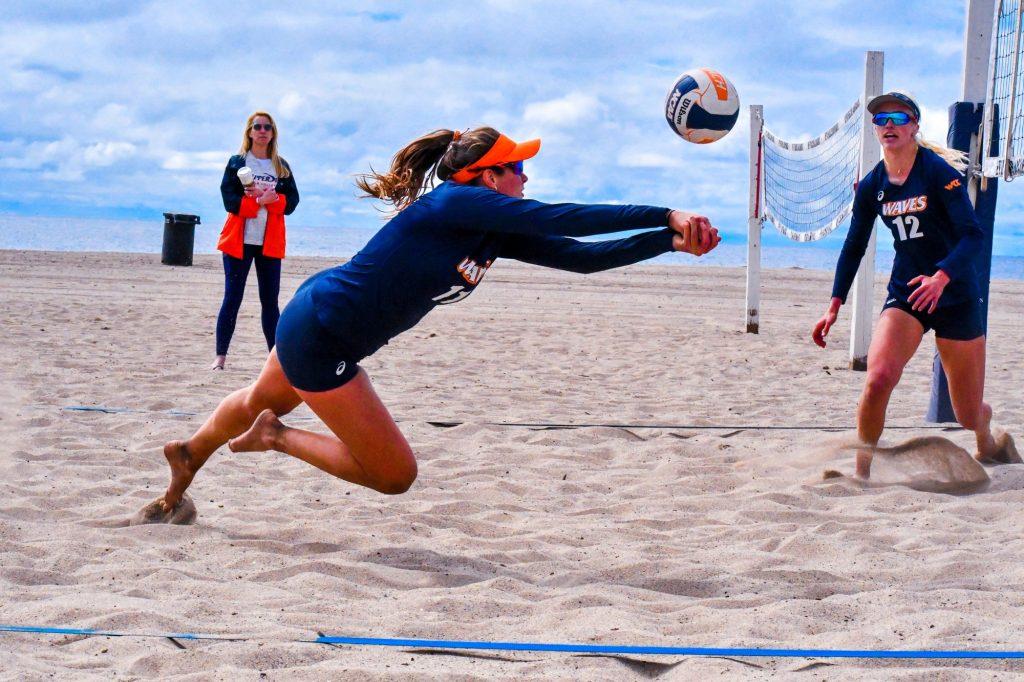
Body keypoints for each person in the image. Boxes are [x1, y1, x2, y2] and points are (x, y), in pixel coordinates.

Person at [159, 126, 720, 511]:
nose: (525, 179)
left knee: (262, 395)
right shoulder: (453, 203)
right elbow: (561, 216)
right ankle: (277, 438)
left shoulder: (487, 226)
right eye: (517, 168)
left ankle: (189, 453)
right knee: (394, 474)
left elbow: (581, 255)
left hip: (319, 313)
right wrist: (665, 211)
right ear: (487, 176)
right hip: (324, 334)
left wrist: (668, 241)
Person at [812, 91, 1017, 478]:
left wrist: (941, 277)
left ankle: (986, 435)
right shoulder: (872, 185)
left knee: (967, 413)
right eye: (881, 119)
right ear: (875, 130)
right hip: (907, 294)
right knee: (878, 380)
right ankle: (862, 476)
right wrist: (834, 303)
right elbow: (854, 244)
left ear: (914, 128)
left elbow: (973, 236)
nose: (889, 124)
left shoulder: (938, 173)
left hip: (953, 294)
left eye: (899, 118)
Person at [212, 111, 299, 370]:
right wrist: (258, 202)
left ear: (273, 133)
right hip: (239, 240)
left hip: (269, 242)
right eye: (257, 126)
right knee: (232, 298)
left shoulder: (281, 166)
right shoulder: (237, 162)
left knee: (270, 301)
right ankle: (220, 357)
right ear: (249, 132)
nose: (262, 131)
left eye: (267, 127)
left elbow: (292, 203)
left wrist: (274, 201)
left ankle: (276, 361)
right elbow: (229, 199)